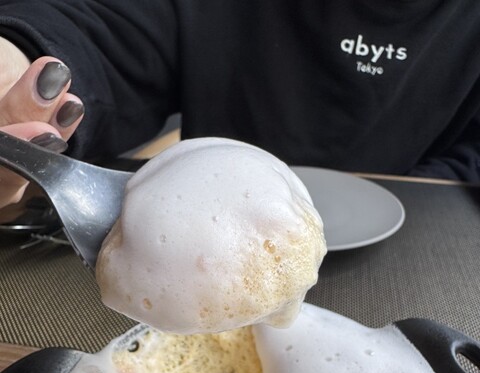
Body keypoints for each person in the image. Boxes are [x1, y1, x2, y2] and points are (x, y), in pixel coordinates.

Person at [0, 0, 479, 209]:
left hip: (417, 244)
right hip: (202, 238)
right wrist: (19, 58)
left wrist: (419, 197)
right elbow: (110, 33)